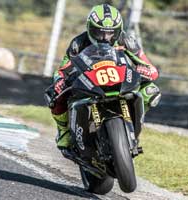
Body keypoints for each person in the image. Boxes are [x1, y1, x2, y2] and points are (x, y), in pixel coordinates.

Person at [48, 4, 160, 150]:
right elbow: (62, 70)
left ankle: (133, 124)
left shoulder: (127, 41)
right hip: (90, 81)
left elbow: (151, 69)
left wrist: (145, 71)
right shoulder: (78, 43)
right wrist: (60, 80)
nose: (105, 37)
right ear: (90, 28)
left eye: (110, 33)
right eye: (99, 32)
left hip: (120, 79)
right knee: (54, 95)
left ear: (118, 30)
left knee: (152, 91)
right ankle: (64, 132)